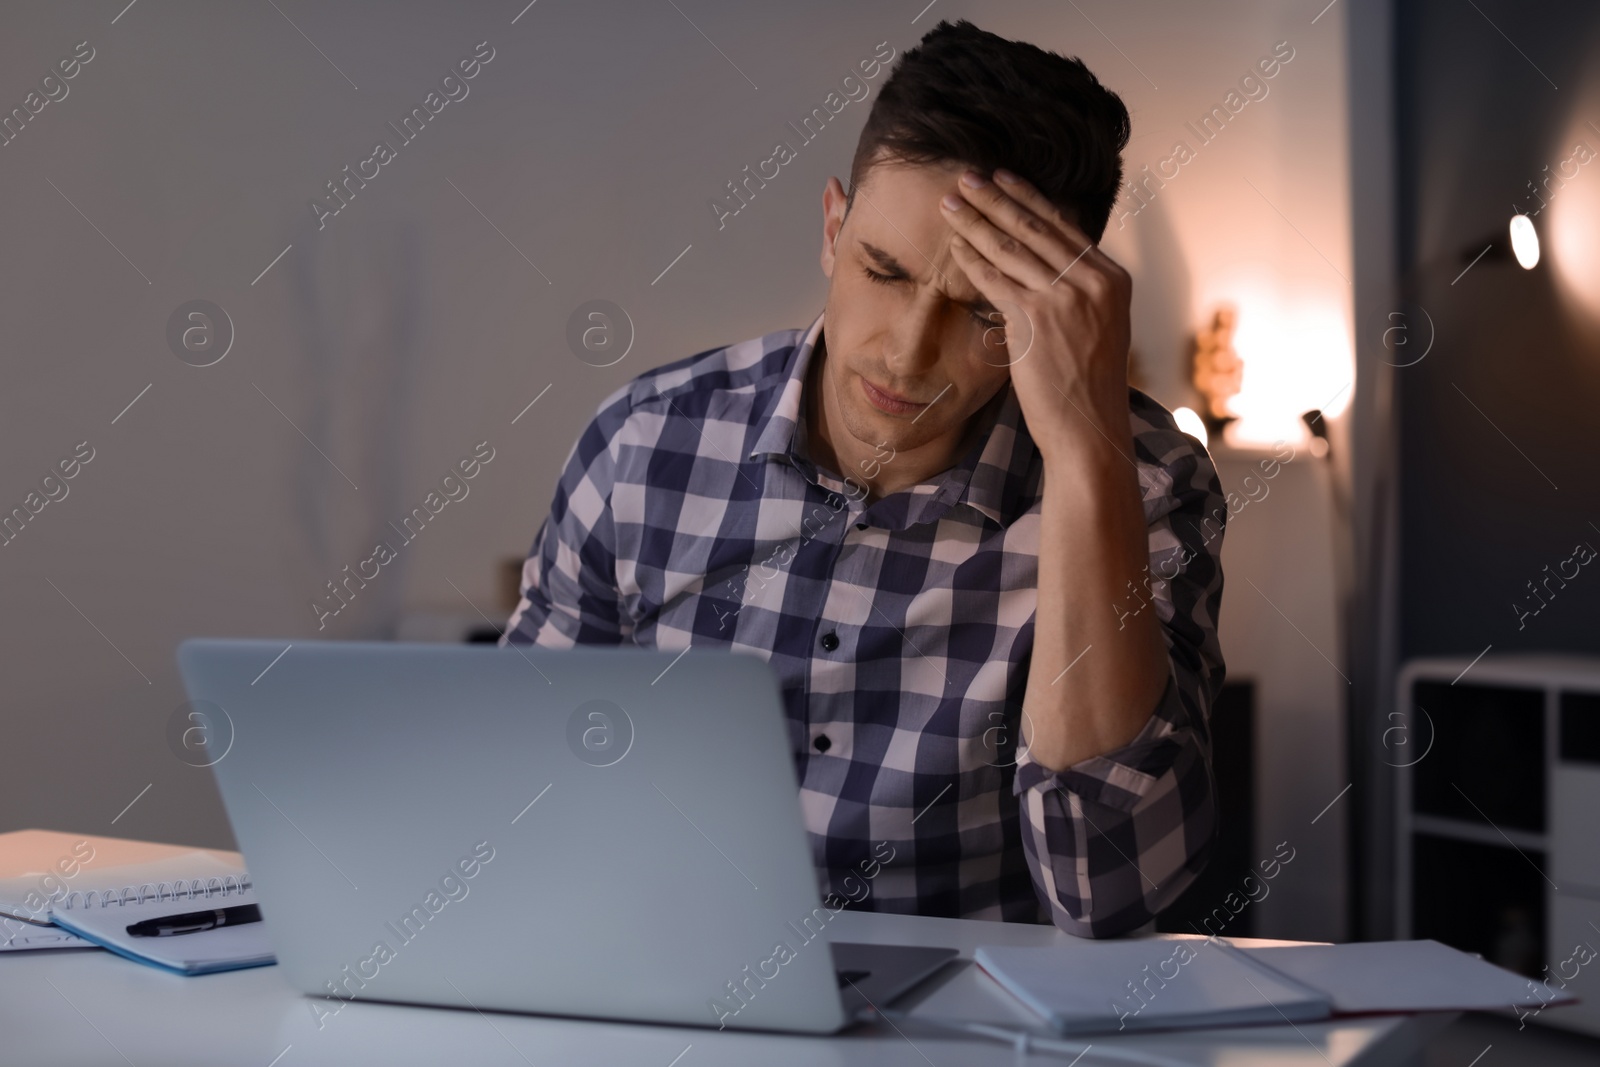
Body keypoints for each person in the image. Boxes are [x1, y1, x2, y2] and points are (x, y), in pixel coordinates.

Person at [503, 19, 1226, 939]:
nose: (907, 351)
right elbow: (517, 805)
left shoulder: (1151, 488)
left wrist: (1087, 460)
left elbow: (1113, 897)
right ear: (834, 227)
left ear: (1066, 315)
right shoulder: (643, 445)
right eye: (883, 271)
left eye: (985, 314)